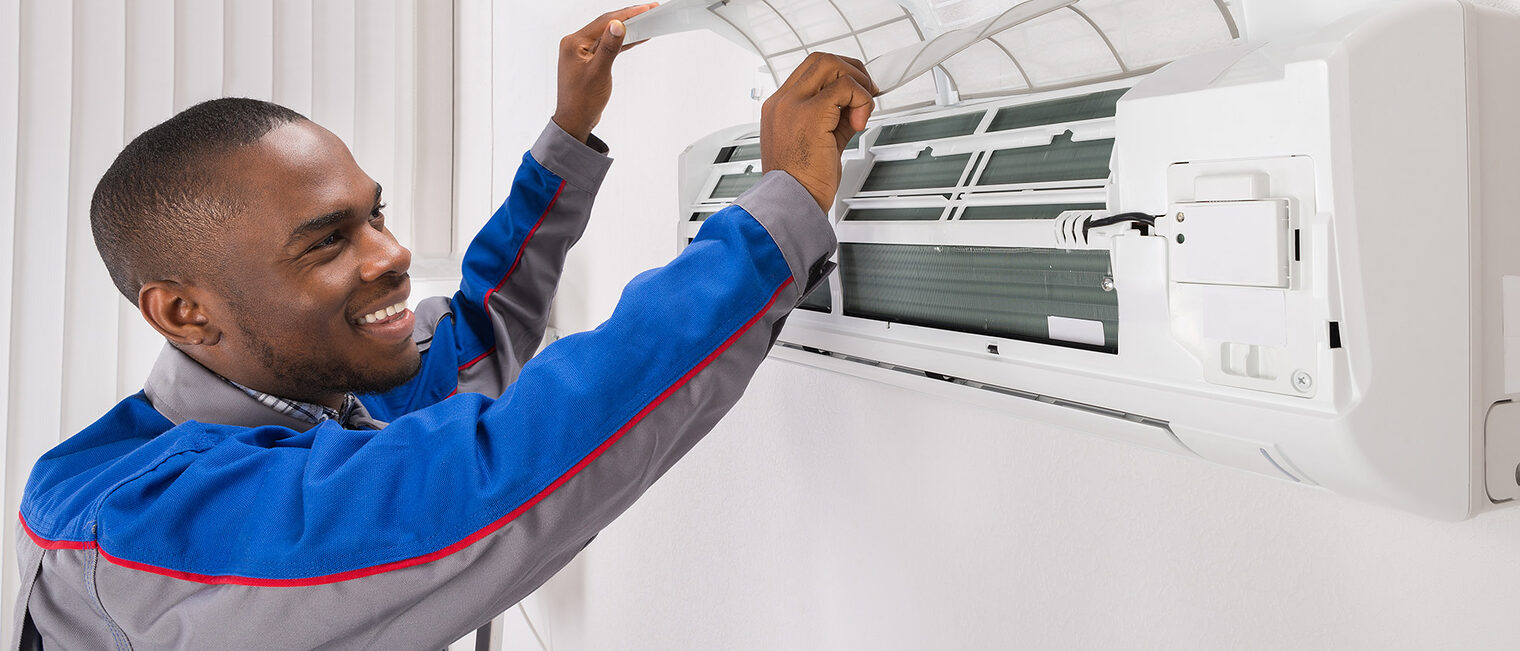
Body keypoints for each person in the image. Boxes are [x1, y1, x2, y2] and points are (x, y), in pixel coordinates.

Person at [10, 5, 878, 649]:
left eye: (375, 213)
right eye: (327, 242)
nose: (391, 254)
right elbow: (500, 471)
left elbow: (477, 328)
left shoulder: (320, 390)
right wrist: (780, 213)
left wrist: (569, 131)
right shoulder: (143, 522)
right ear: (184, 311)